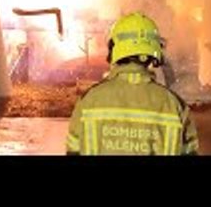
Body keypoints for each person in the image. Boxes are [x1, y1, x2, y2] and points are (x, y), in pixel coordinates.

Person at [66, 12, 199, 155]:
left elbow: (73, 151)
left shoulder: (88, 102)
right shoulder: (175, 106)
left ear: (114, 48)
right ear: (154, 50)